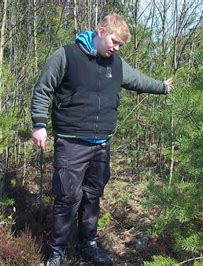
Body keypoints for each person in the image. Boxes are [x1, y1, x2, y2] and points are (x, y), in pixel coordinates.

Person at [31, 13, 174, 266]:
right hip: (71, 141)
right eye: (114, 42)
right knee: (67, 198)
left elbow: (138, 80)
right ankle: (57, 251)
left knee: (92, 196)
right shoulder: (65, 56)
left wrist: (162, 86)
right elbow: (43, 89)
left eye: (120, 45)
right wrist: (39, 125)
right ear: (100, 31)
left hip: (101, 144)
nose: (116, 49)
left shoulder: (116, 64)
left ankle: (88, 244)